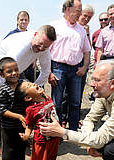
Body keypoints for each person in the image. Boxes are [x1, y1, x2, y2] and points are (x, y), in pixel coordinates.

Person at [0, 25, 56, 156]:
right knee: (2, 105)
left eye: (45, 47)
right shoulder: (20, 47)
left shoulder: (44, 48)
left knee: (23, 102)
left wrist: (33, 89)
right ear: (35, 35)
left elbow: (45, 72)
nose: (41, 49)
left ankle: (20, 136)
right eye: (40, 44)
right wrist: (5, 96)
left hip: (16, 70)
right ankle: (0, 142)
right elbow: (3, 77)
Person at [48, 0, 91, 131]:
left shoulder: (81, 30)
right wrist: (49, 72)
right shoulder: (54, 26)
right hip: (58, 68)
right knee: (57, 102)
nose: (80, 14)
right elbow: (45, 51)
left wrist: (84, 67)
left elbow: (87, 51)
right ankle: (57, 132)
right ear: (67, 9)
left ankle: (73, 131)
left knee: (76, 101)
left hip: (76, 70)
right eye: (78, 11)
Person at [16, 81, 60, 160]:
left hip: (55, 137)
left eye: (32, 83)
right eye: (29, 86)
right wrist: (27, 135)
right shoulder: (31, 109)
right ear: (28, 98)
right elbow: (29, 125)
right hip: (42, 141)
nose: (34, 84)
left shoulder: (46, 97)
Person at [0, 57, 27, 160]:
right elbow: (0, 110)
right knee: (8, 153)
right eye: (9, 71)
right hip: (8, 128)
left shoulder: (23, 85)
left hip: (21, 127)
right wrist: (19, 116)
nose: (14, 73)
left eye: (16, 70)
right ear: (2, 74)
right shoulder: (3, 90)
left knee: (20, 151)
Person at [5, 11, 39, 83]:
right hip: (17, 69)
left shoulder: (31, 35)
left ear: (28, 21)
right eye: (21, 20)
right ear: (17, 21)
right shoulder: (11, 35)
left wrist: (34, 60)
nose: (24, 22)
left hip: (29, 69)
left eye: (26, 20)